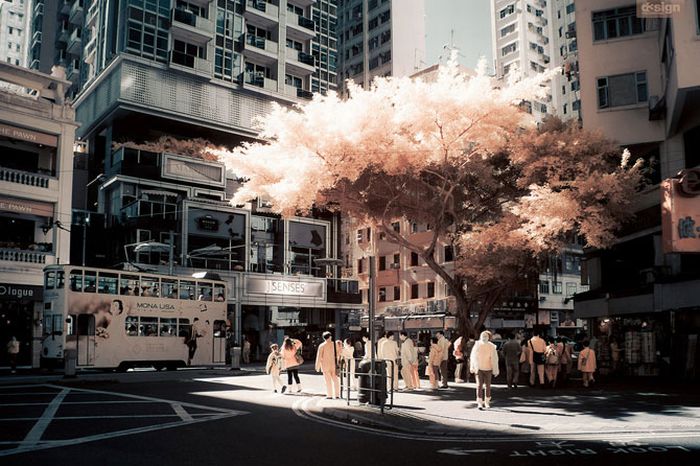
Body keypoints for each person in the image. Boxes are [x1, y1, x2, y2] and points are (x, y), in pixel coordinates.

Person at [469, 331, 499, 409]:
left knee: (488, 386)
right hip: (479, 368)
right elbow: (473, 356)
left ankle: (487, 402)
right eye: (483, 336)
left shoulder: (492, 346)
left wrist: (495, 370)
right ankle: (479, 402)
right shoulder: (477, 345)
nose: (484, 337)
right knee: (479, 385)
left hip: (488, 368)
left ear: (489, 337)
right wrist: (472, 367)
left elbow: (495, 359)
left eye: (486, 336)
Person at [315, 332, 340, 399]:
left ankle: (329, 395)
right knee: (335, 380)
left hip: (325, 365)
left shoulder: (322, 345)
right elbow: (338, 354)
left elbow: (319, 357)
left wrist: (317, 367)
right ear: (330, 337)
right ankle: (337, 395)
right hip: (333, 364)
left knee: (328, 381)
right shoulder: (335, 344)